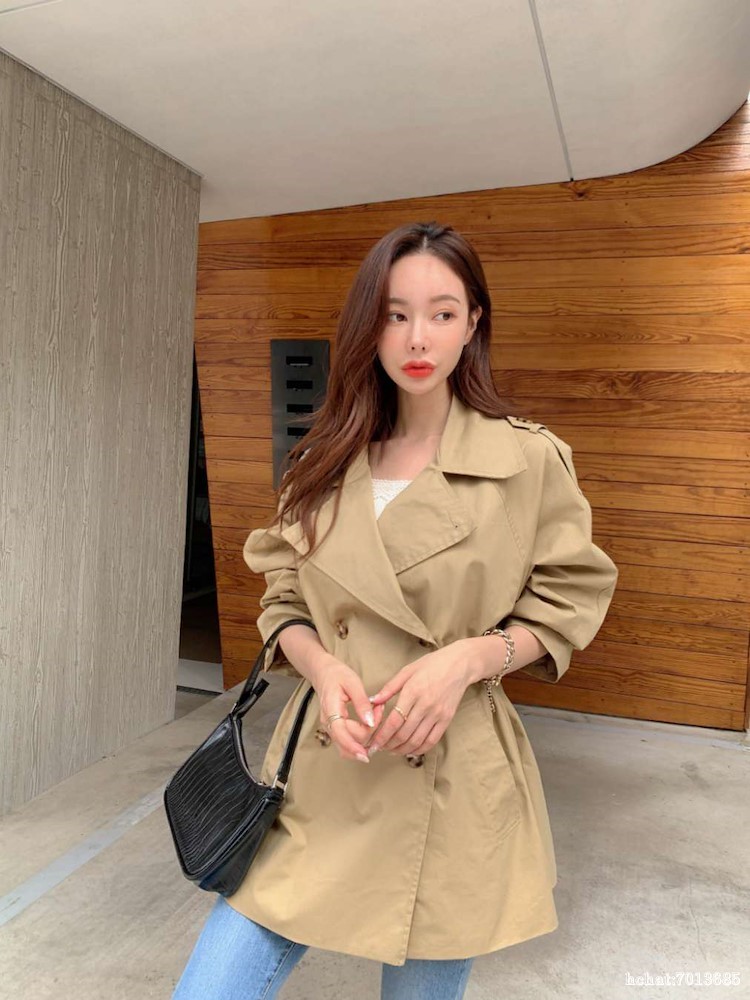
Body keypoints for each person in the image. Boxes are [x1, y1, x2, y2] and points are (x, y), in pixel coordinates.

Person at [172, 221, 619, 1000]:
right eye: (395, 314)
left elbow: (568, 597)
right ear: (367, 327)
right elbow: (283, 597)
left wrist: (467, 659)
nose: (418, 338)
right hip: (322, 763)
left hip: (450, 771)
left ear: (473, 323)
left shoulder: (525, 459)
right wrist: (323, 667)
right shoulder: (320, 460)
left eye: (442, 313)